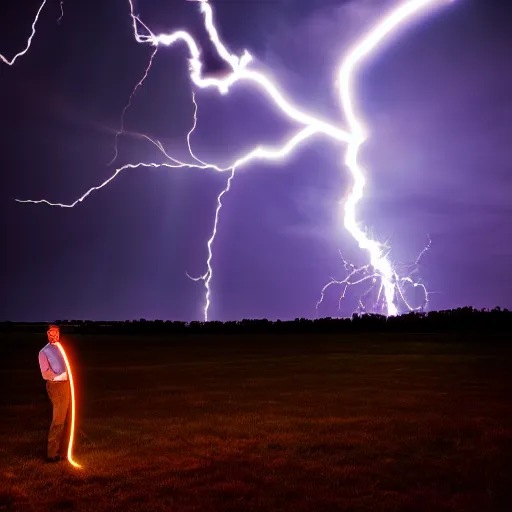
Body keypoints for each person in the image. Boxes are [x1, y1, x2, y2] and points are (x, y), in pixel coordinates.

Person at [38, 324, 70, 463]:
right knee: (58, 419)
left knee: (63, 419)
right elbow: (45, 374)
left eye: (57, 332)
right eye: (51, 333)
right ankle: (51, 454)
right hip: (56, 386)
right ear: (47, 333)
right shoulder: (44, 352)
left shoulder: (61, 349)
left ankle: (60, 450)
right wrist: (61, 375)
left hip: (66, 385)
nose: (54, 335)